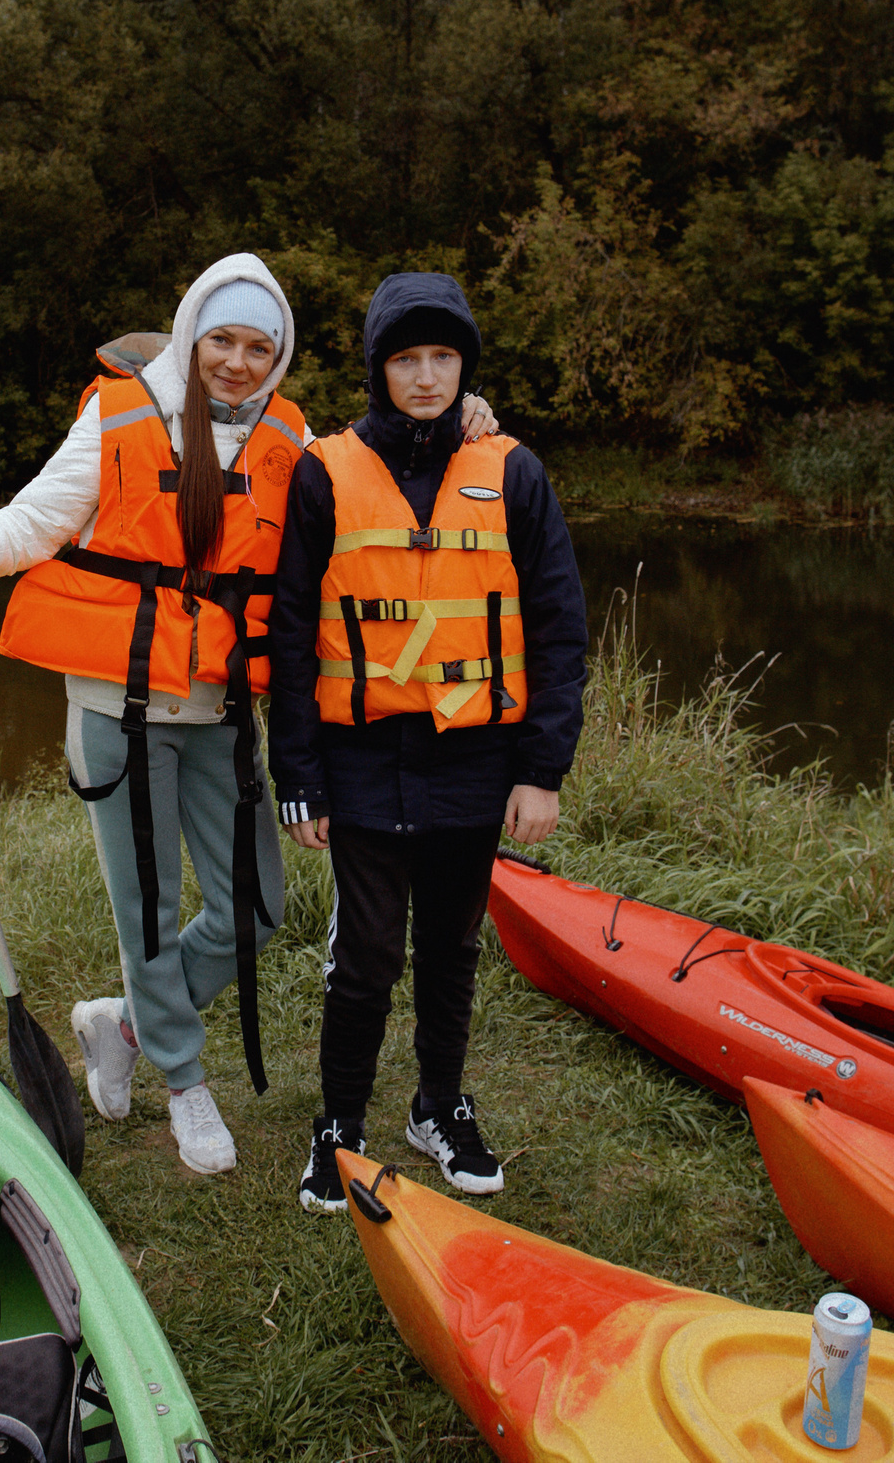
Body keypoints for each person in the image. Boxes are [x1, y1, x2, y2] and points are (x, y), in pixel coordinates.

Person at [0, 254, 495, 1176]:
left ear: (278, 358)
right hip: (120, 707)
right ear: (193, 333)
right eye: (222, 340)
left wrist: (470, 423)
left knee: (259, 905)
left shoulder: (292, 436)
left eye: (257, 346)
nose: (236, 361)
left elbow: (378, 473)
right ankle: (185, 1080)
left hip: (225, 710)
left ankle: (122, 1026)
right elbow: (28, 526)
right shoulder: (115, 416)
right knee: (148, 911)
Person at [267, 271, 587, 1212]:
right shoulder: (326, 472)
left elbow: (559, 627)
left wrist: (541, 767)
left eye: (443, 357)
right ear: (377, 368)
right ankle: (339, 1122)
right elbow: (290, 632)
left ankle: (439, 1105)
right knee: (365, 954)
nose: (425, 375)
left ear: (465, 367)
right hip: (362, 761)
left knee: (451, 946)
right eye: (406, 358)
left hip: (475, 763)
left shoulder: (514, 470)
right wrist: (300, 773)